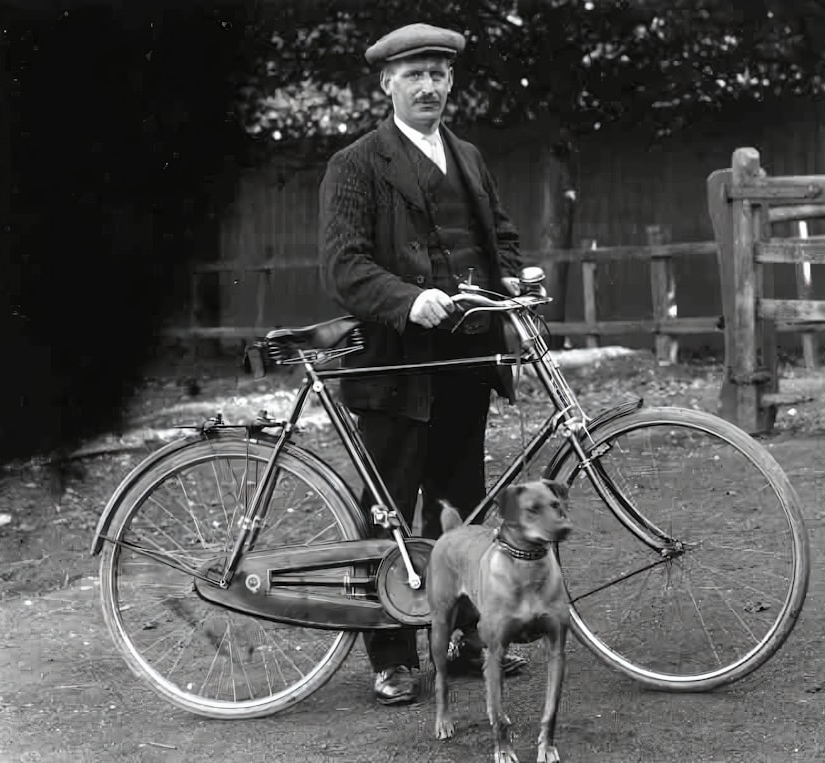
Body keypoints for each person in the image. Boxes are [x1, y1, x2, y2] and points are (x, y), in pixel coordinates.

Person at [319, 22, 529, 706]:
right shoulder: (357, 164)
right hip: (395, 367)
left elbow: (498, 236)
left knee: (462, 506)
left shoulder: (466, 155)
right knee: (389, 510)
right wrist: (409, 300)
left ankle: (463, 641)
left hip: (466, 359)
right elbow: (344, 264)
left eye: (439, 72)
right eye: (415, 74)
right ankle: (390, 656)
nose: (430, 85)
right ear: (387, 84)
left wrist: (518, 282)